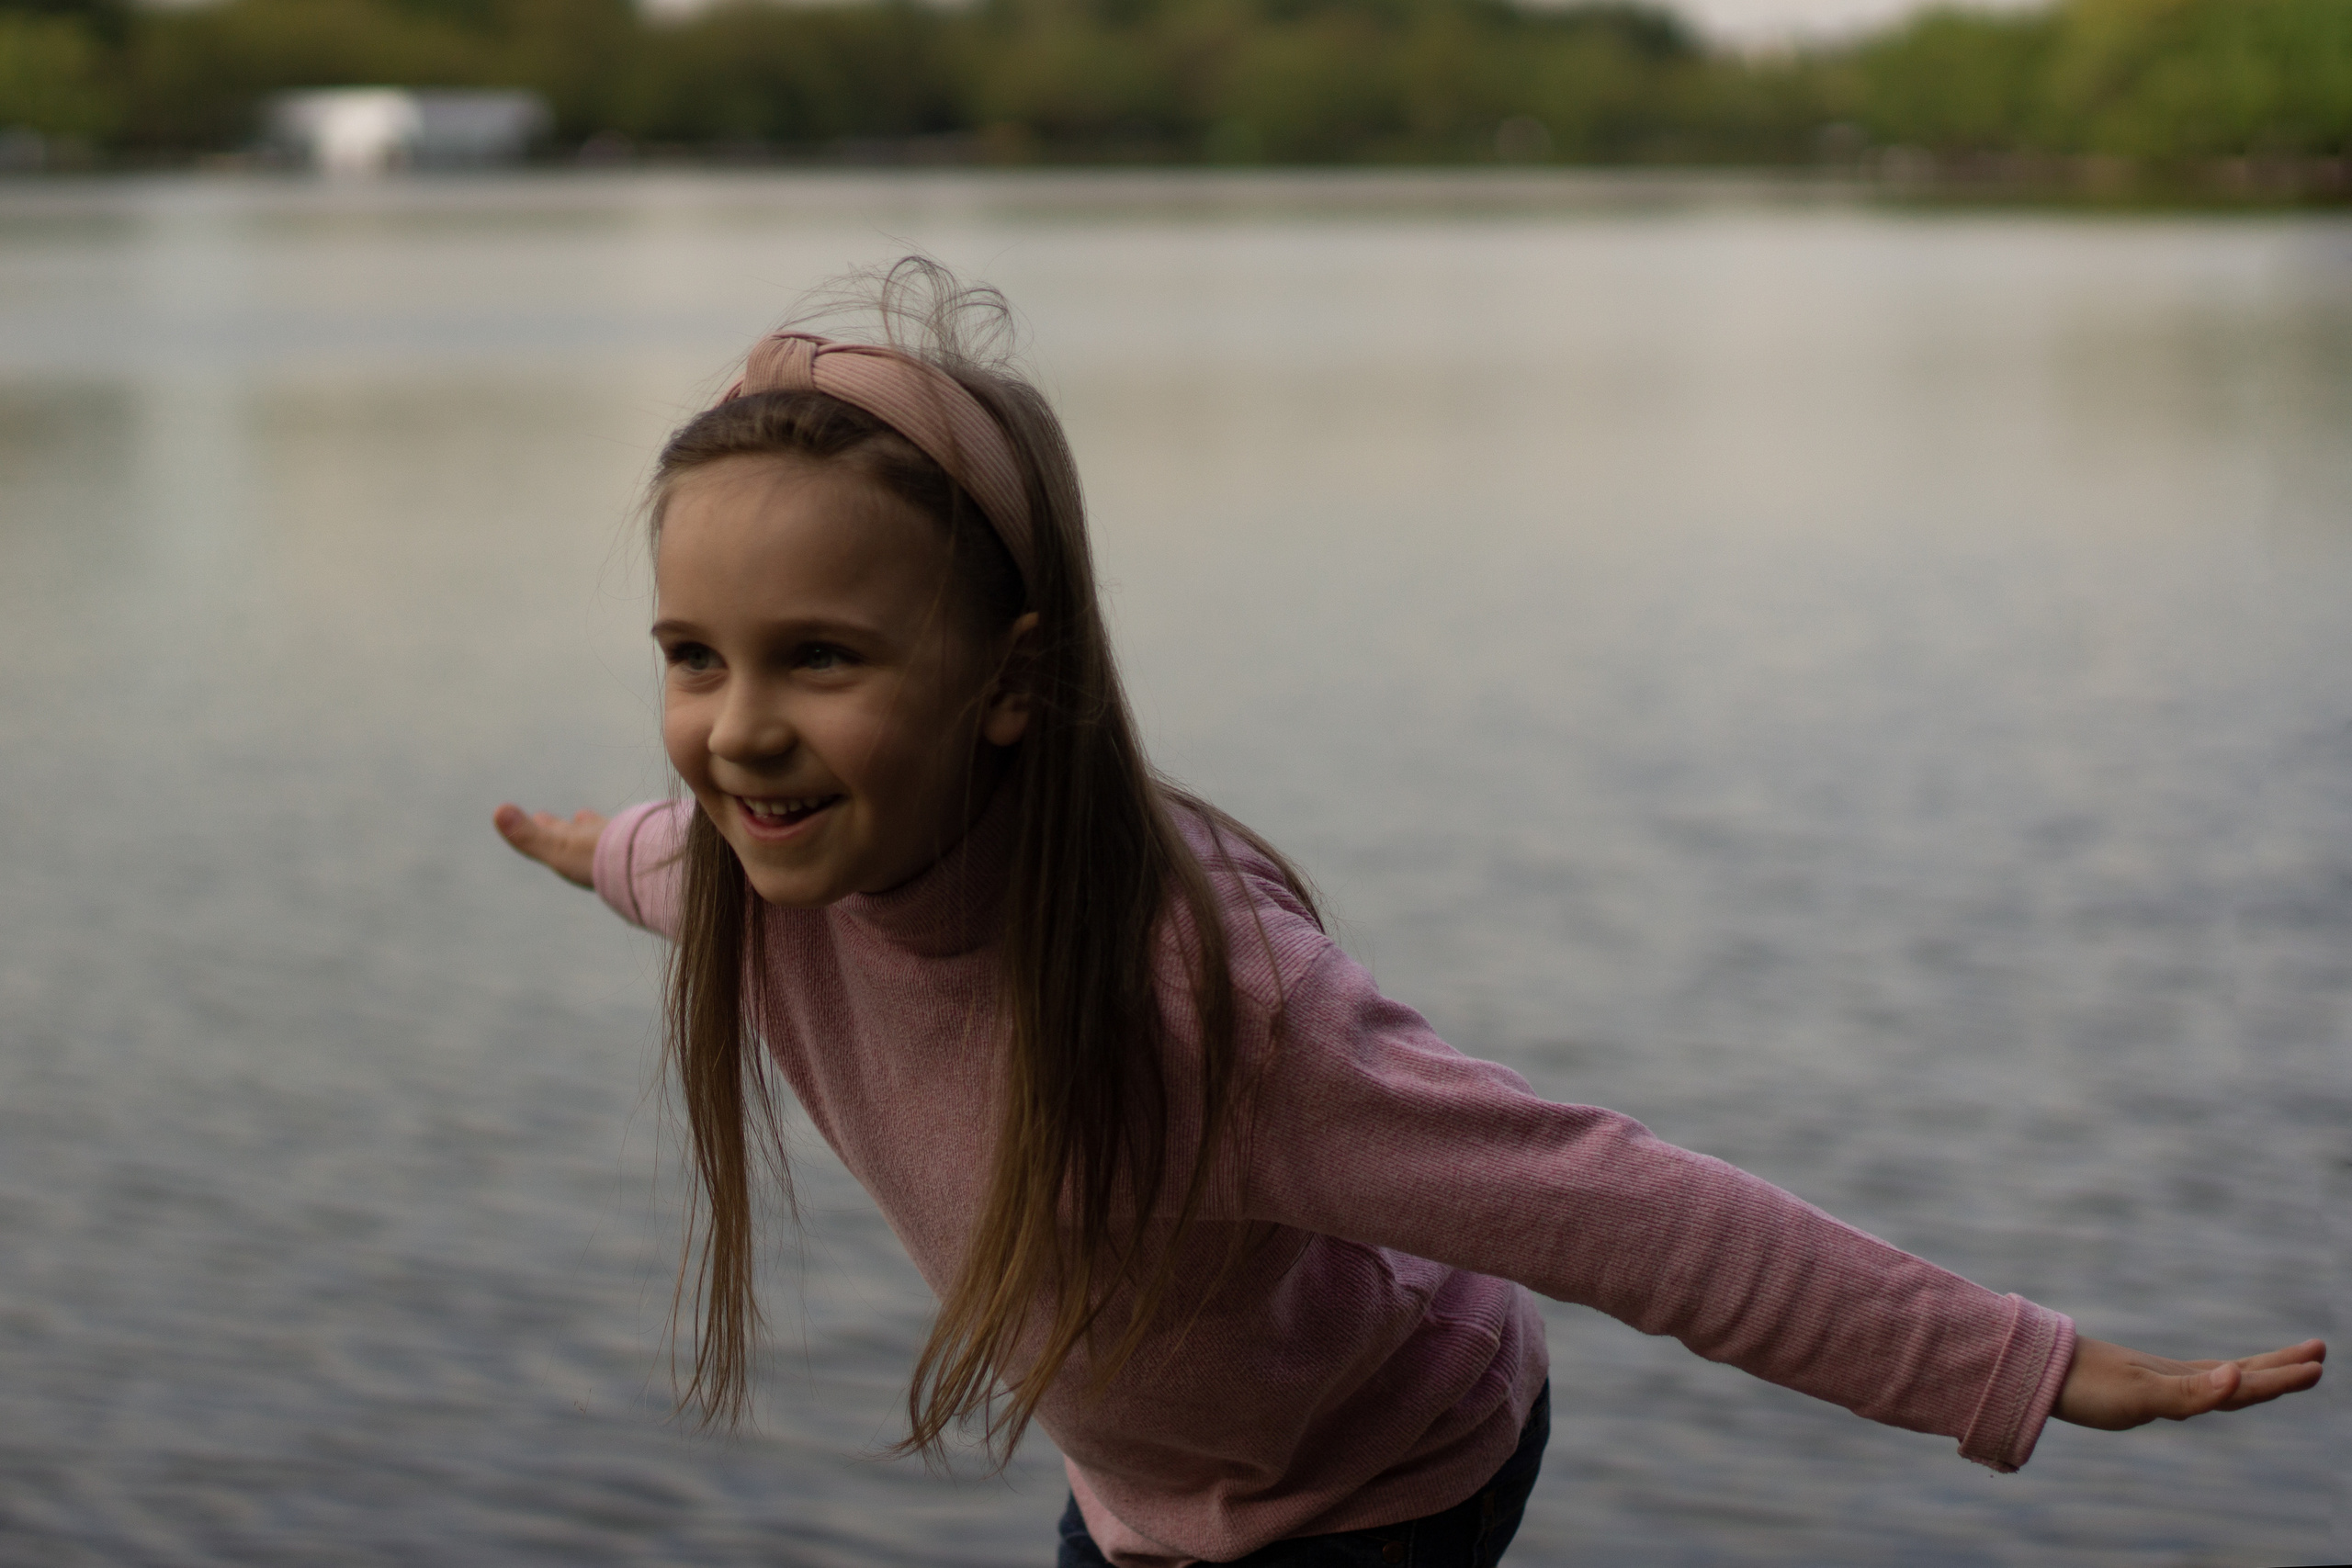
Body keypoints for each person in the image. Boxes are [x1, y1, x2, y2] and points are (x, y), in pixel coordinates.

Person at [493, 261, 2323, 1568]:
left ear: (1005, 679)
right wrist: (587, 846)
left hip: (1376, 1474)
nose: (737, 727)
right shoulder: (750, 868)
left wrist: (2013, 1361)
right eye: (692, 656)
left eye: (817, 656)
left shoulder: (1200, 1003)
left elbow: (1613, 1203)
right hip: (1150, 1483)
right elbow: (663, 853)